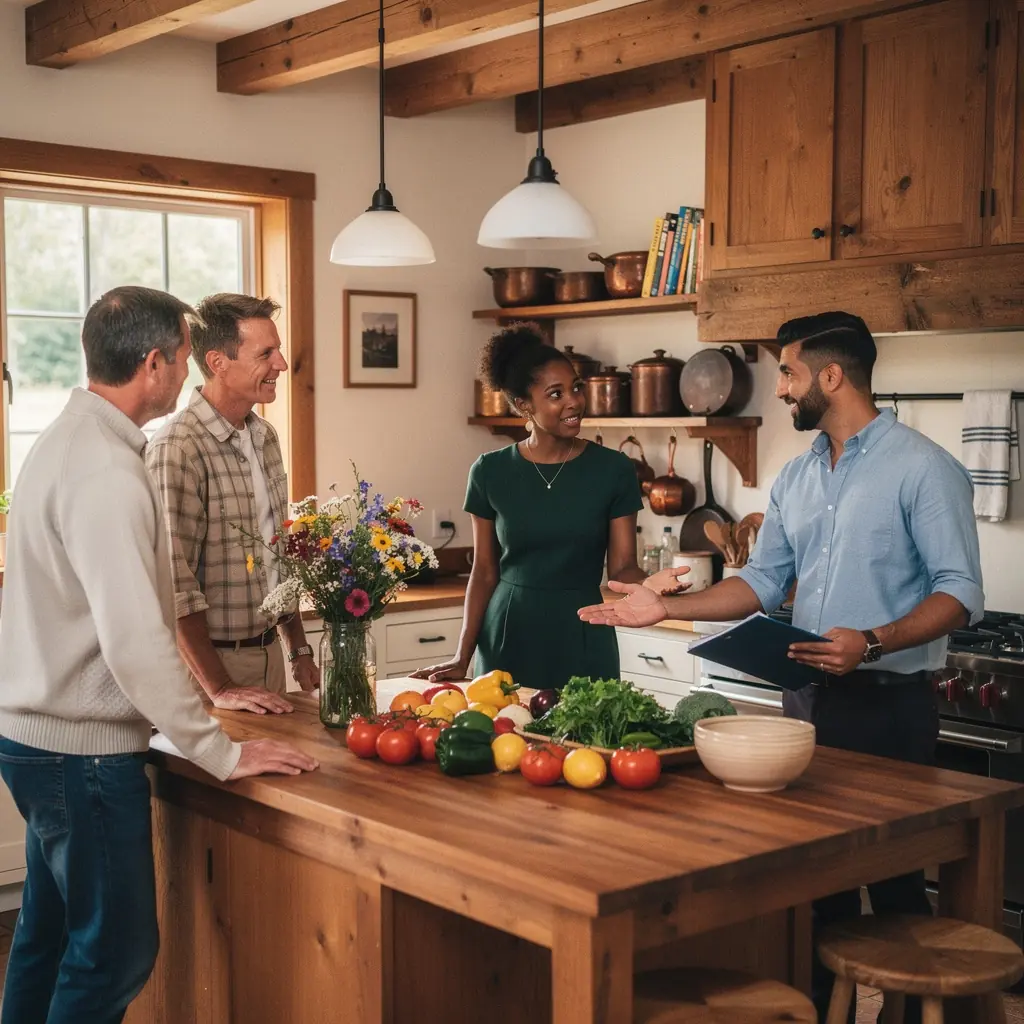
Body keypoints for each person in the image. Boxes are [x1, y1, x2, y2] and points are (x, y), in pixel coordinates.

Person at [579, 311, 983, 1024]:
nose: (784, 390)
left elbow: (961, 593)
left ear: (832, 376)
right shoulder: (797, 478)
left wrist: (876, 640)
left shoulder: (923, 469)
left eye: (790, 375)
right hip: (805, 704)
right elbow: (761, 583)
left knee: (892, 893)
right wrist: (664, 610)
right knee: (807, 889)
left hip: (889, 705)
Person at [0, 286, 318, 1024]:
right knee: (115, 954)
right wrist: (220, 751)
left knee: (46, 941)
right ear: (153, 364)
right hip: (79, 757)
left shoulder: (67, 442)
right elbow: (136, 636)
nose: (183, 376)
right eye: (180, 359)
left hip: (34, 739)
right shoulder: (109, 473)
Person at [413, 323, 683, 691]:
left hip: (585, 630)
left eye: (575, 388)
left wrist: (651, 583)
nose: (573, 401)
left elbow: (622, 566)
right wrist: (464, 654)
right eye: (555, 394)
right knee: (503, 741)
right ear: (525, 405)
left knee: (588, 742)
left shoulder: (614, 469)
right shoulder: (490, 471)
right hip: (508, 632)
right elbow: (484, 572)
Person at [146, 293, 320, 714]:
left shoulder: (265, 437)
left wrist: (298, 650)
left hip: (269, 659)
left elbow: (276, 554)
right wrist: (220, 687)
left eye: (278, 350)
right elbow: (173, 583)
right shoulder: (178, 446)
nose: (280, 364)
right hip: (204, 672)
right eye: (266, 353)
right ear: (219, 363)